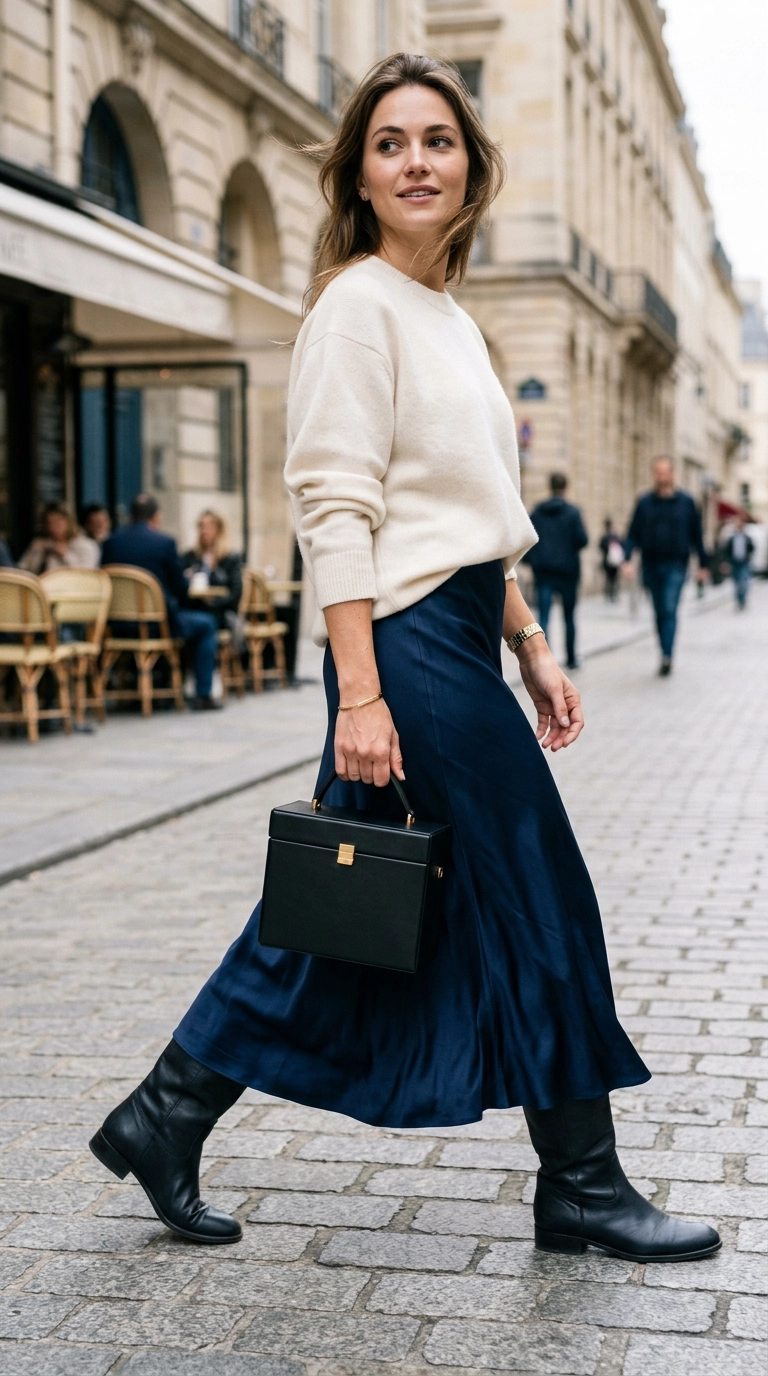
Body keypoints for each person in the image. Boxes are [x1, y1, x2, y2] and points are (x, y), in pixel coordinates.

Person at [89, 54, 718, 1265]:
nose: (416, 161)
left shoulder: (453, 320)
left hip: (458, 630)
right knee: (540, 887)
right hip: (404, 647)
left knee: (343, 900)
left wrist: (531, 641)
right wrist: (361, 693)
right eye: (390, 144)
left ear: (472, 169)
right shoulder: (355, 305)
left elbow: (471, 508)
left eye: (438, 140)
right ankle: (582, 1182)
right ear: (361, 176)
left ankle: (163, 1113)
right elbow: (337, 506)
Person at [100, 494, 221, 711]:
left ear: (130, 516)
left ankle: (151, 686)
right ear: (156, 517)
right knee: (206, 624)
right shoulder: (164, 543)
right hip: (157, 625)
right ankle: (203, 694)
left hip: (116, 626)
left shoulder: (110, 543)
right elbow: (181, 589)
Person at [624, 457, 708, 676]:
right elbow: (632, 533)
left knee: (669, 608)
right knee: (659, 611)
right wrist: (626, 559)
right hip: (650, 564)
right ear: (654, 474)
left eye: (665, 472)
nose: (661, 477)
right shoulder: (645, 502)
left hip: (677, 565)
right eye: (657, 472)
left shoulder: (686, 503)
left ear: (672, 474)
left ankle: (667, 655)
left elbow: (697, 534)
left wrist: (703, 564)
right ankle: (664, 650)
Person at [523, 473, 588, 669]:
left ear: (549, 487)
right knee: (568, 617)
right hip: (567, 573)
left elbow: (528, 538)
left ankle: (543, 660)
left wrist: (532, 560)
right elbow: (583, 540)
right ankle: (571, 658)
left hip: (543, 572)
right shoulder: (573, 512)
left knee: (543, 617)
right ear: (565, 488)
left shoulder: (537, 512)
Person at [182, 511, 243, 631]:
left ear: (219, 530)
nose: (204, 531)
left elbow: (236, 593)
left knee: (208, 619)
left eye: (208, 527)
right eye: (201, 526)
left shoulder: (230, 558)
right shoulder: (190, 557)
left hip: (220, 610)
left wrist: (214, 601)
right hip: (195, 607)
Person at [18, 503, 99, 574]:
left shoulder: (85, 545)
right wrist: (36, 553)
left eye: (59, 521)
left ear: (69, 522)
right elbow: (22, 569)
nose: (54, 526)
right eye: (50, 522)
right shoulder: (40, 544)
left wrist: (66, 555)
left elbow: (87, 575)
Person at [723, 516, 754, 611]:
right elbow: (726, 551)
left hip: (744, 563)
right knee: (736, 583)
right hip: (734, 563)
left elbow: (752, 548)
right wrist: (726, 563)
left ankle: (743, 599)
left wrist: (749, 555)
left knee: (744, 582)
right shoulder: (732, 539)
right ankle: (739, 600)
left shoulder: (747, 538)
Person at [599, 518, 625, 602]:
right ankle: (614, 594)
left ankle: (610, 594)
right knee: (614, 578)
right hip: (615, 561)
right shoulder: (615, 536)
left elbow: (600, 547)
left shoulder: (605, 537)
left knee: (609, 578)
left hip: (607, 561)